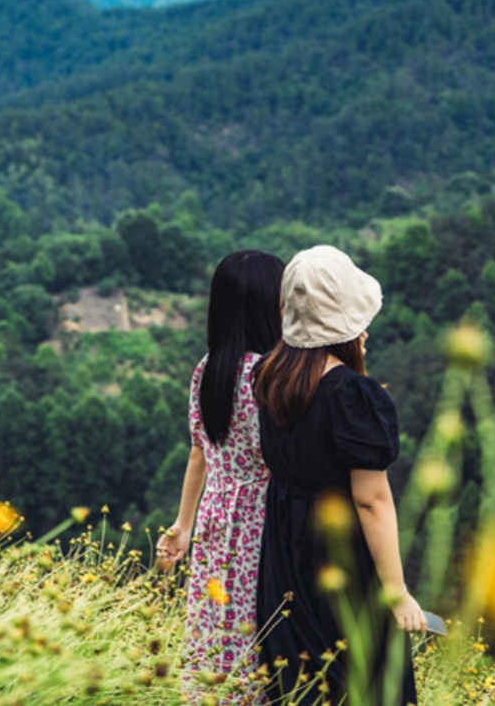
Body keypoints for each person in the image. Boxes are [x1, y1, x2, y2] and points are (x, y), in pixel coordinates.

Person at [253, 245, 424, 705]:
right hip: (340, 551)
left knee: (301, 680)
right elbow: (371, 500)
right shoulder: (352, 395)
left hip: (284, 545)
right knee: (365, 679)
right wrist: (397, 591)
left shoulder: (269, 377)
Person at [157, 249, 285, 705]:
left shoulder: (208, 368)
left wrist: (183, 524)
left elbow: (200, 451)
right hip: (264, 514)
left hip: (216, 512)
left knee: (216, 620)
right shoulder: (274, 375)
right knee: (258, 618)